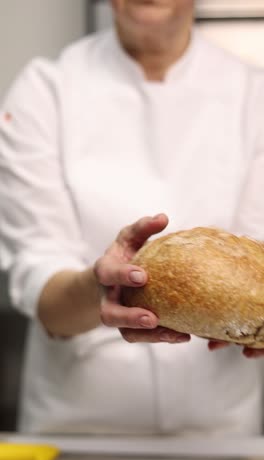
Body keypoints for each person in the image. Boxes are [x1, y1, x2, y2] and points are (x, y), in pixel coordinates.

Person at [0, 0, 263, 436]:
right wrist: (98, 288)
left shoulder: (253, 94)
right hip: (78, 428)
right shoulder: (47, 90)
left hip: (218, 432)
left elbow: (256, 257)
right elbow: (40, 278)